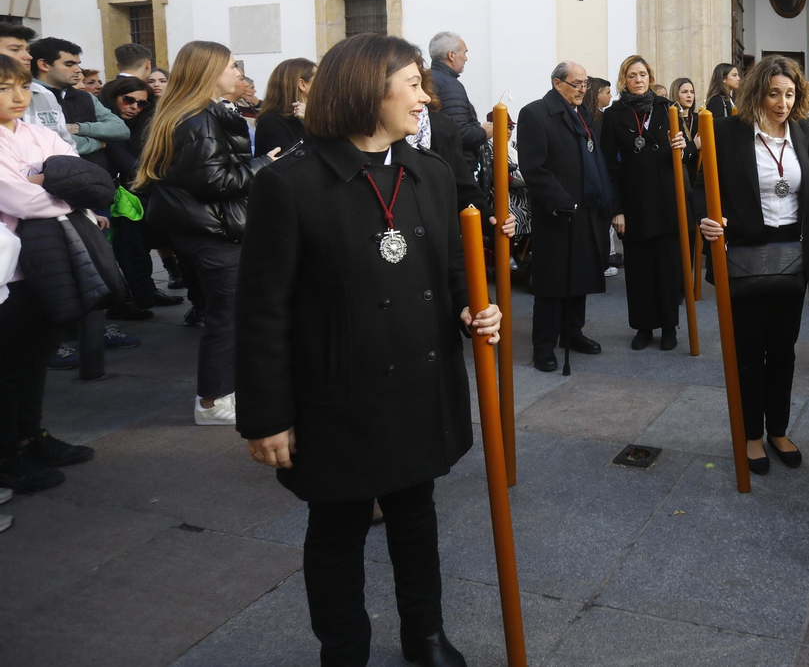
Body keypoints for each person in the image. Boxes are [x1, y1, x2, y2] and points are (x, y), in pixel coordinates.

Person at [236, 33, 502, 667]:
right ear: (367, 91)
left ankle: (425, 635)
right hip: (338, 392)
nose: (425, 98)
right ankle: (344, 649)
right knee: (337, 529)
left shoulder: (430, 172)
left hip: (418, 382)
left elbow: (451, 269)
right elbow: (262, 310)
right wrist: (267, 416)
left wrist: (472, 308)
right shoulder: (290, 184)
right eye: (412, 84)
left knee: (416, 514)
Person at [700, 54, 809, 473]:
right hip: (745, 249)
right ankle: (752, 435)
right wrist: (707, 217)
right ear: (758, 92)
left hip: (793, 250)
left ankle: (778, 429)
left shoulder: (805, 131)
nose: (782, 103)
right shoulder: (727, 131)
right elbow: (700, 186)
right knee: (749, 350)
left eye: (790, 94)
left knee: (783, 349)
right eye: (774, 93)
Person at [136, 41, 277, 426]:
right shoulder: (198, 118)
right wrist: (265, 163)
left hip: (210, 228)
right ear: (208, 73)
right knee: (226, 317)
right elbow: (214, 181)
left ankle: (225, 392)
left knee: (231, 315)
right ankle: (212, 402)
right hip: (212, 232)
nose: (238, 73)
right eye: (231, 66)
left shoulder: (198, 114)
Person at [0, 51, 98, 494]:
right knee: (10, 364)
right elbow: (20, 200)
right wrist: (57, 189)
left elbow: (85, 178)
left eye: (23, 86)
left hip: (51, 257)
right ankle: (9, 453)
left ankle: (32, 434)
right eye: (5, 89)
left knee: (38, 354)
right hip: (10, 270)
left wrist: (50, 186)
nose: (18, 96)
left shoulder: (38, 133)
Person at [518, 62, 611, 372]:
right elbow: (533, 167)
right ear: (557, 83)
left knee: (579, 275)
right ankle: (544, 345)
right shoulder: (535, 113)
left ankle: (573, 332)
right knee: (553, 281)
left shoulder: (582, 113)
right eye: (577, 83)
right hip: (557, 213)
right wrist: (561, 201)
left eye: (585, 84)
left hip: (585, 209)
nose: (583, 89)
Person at [603, 56, 686, 351]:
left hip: (665, 201)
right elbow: (609, 167)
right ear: (624, 81)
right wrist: (617, 209)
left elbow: (685, 156)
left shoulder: (667, 109)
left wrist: (682, 148)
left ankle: (669, 326)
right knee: (639, 270)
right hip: (634, 202)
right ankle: (643, 326)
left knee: (668, 268)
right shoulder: (614, 115)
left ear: (650, 77)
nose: (638, 80)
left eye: (642, 75)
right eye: (632, 76)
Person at [98, 76, 182, 321]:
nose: (134, 106)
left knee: (140, 247)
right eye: (128, 100)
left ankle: (145, 293)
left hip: (135, 195)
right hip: (114, 195)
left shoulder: (141, 125)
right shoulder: (107, 124)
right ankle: (131, 300)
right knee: (126, 250)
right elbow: (128, 164)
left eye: (141, 103)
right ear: (114, 97)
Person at [30, 37, 128, 173]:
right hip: (52, 179)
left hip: (97, 177)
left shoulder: (85, 97)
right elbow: (47, 143)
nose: (78, 70)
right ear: (44, 65)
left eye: (78, 64)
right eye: (69, 64)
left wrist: (78, 128)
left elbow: (121, 129)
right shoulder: (27, 96)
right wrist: (95, 143)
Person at [426, 32, 492, 172]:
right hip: (455, 166)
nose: (466, 58)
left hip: (435, 162)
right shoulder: (450, 86)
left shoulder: (427, 79)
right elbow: (459, 133)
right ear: (452, 55)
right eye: (464, 52)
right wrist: (483, 132)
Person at [255, 57, 316, 159]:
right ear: (302, 85)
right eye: (318, 79)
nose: (323, 84)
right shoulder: (272, 123)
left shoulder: (313, 116)